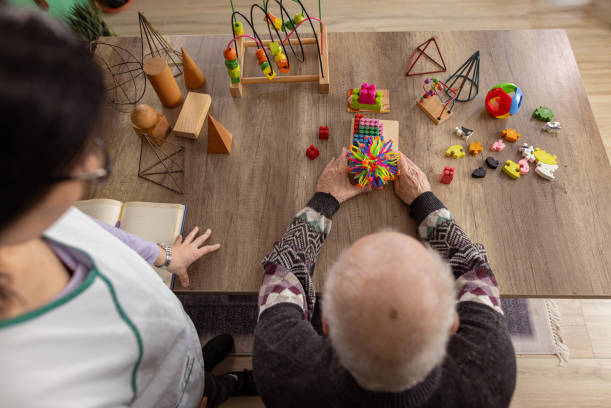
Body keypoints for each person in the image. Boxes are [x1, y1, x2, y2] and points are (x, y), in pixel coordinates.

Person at [0, 5, 253, 407]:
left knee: (201, 377)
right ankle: (220, 387)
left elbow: (99, 234)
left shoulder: (36, 216)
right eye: (81, 155)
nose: (92, 165)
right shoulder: (30, 389)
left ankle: (212, 378)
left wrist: (166, 256)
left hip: (173, 353)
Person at [253, 149, 517, 407]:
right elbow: (475, 271)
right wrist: (423, 200)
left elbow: (282, 269)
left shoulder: (279, 364)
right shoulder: (491, 372)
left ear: (326, 323)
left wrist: (324, 200)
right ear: (453, 324)